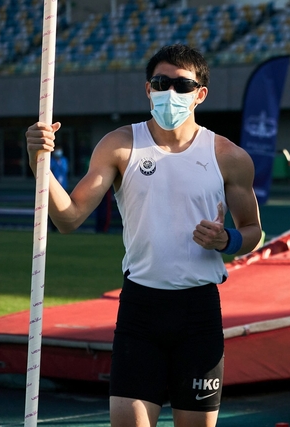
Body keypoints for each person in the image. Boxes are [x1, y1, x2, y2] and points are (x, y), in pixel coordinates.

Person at [25, 44, 262, 427]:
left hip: (198, 314)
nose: (170, 92)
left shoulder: (228, 156)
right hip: (140, 311)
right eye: (160, 82)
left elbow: (254, 231)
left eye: (182, 85)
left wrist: (226, 241)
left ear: (200, 94)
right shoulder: (120, 145)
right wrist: (40, 162)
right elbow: (68, 219)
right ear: (148, 89)